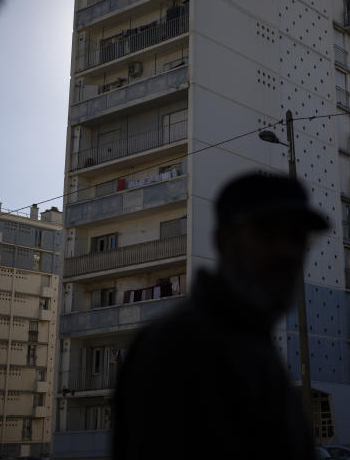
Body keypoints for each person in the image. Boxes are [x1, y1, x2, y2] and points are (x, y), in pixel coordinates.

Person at [113, 172, 329, 459]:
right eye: (269, 233)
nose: (287, 251)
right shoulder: (177, 347)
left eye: (298, 237)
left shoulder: (252, 343)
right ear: (223, 240)